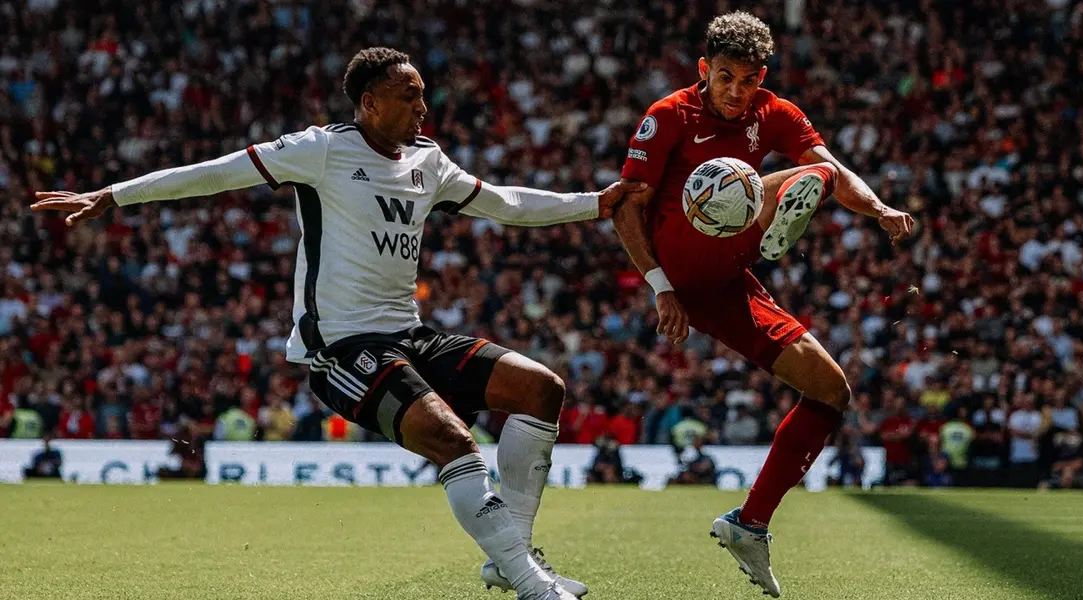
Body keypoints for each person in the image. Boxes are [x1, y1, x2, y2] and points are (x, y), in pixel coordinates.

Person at [31, 47, 643, 600]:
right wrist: (115, 194)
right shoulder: (321, 150)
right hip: (341, 349)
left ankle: (513, 558)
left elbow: (502, 202)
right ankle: (531, 583)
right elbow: (216, 172)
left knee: (542, 388)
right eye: (410, 96)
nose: (423, 107)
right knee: (454, 441)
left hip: (410, 334)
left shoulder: (428, 161)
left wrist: (592, 204)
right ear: (369, 102)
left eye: (423, 94)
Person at [612, 12, 914, 596]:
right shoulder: (668, 115)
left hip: (729, 278)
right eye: (725, 78)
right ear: (704, 70)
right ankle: (771, 213)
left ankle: (750, 524)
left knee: (831, 389)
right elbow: (626, 206)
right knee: (766, 179)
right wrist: (658, 285)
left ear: (762, 77)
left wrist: (878, 210)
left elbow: (836, 169)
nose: (736, 91)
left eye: (748, 81)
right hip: (679, 260)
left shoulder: (774, 111)